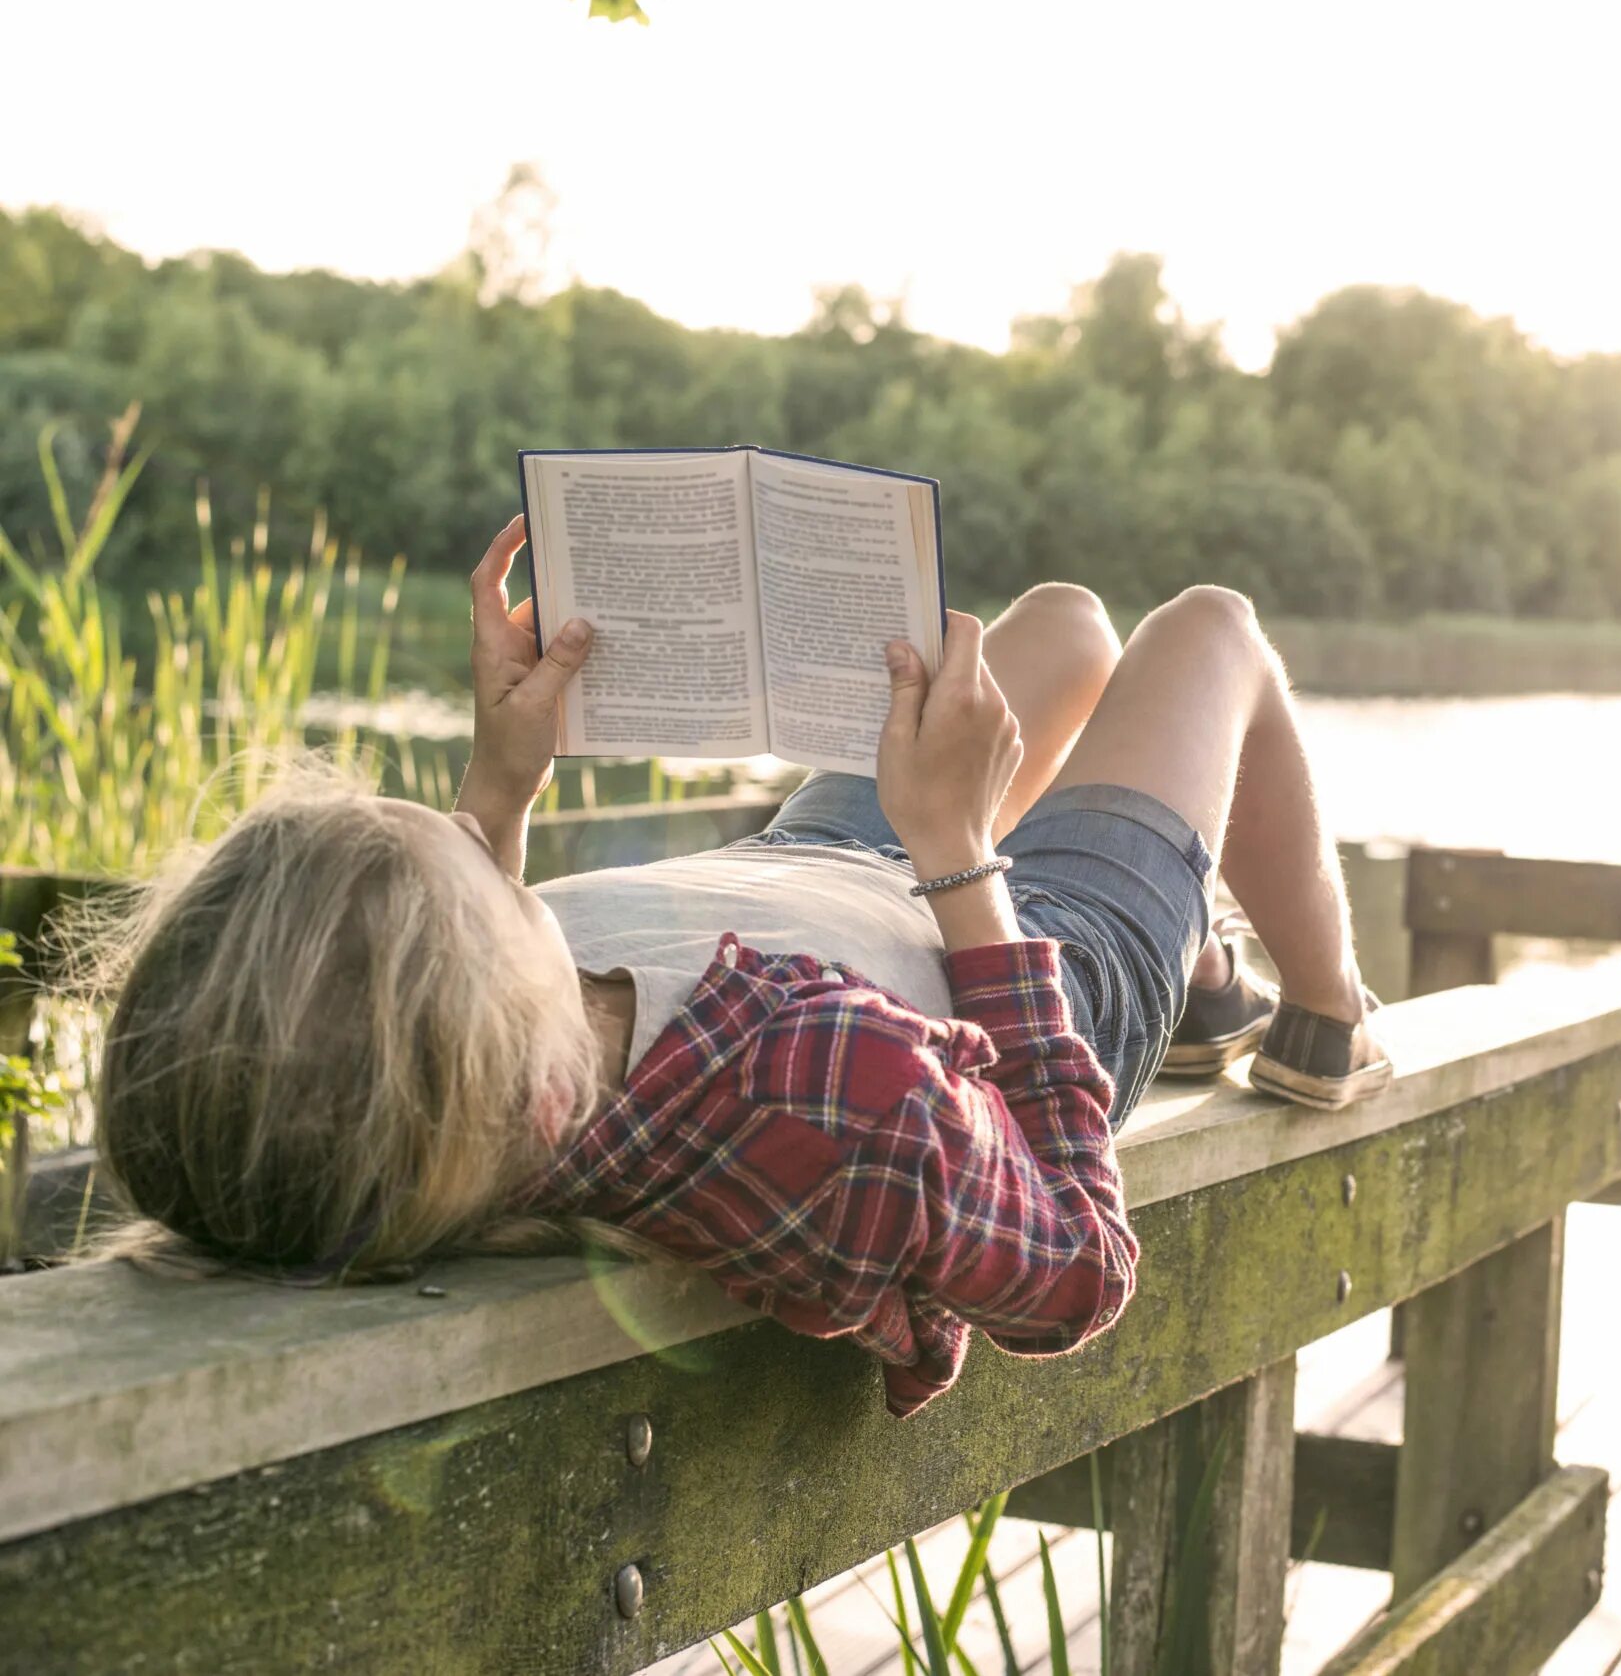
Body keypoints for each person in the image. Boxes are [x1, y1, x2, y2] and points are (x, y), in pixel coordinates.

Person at [90, 518, 1389, 1414]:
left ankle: (1205, 959)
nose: (482, 852)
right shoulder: (824, 1097)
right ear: (535, 1074)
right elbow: (1077, 1267)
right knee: (1210, 630)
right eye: (479, 869)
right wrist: (953, 847)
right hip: (1006, 941)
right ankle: (1321, 1012)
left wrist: (505, 778)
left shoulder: (471, 1079)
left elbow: (451, 999)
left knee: (1056, 628)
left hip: (817, 870)